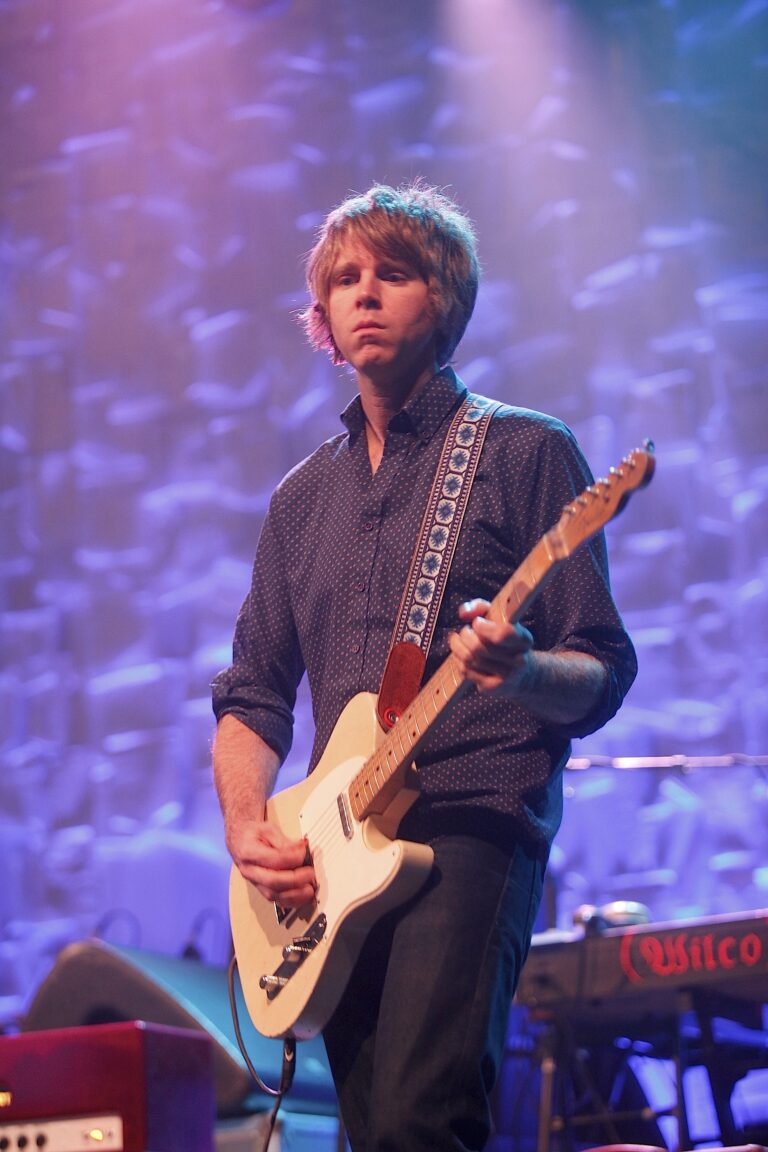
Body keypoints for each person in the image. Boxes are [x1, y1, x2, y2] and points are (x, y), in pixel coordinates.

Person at [212, 182, 637, 1151]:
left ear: (443, 299)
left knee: (420, 1122)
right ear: (319, 318)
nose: (364, 294)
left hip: (469, 824)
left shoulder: (524, 451)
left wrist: (522, 672)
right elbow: (252, 692)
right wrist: (248, 827)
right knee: (372, 1133)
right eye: (343, 280)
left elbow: (601, 668)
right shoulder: (300, 500)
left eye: (392, 275)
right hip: (331, 856)